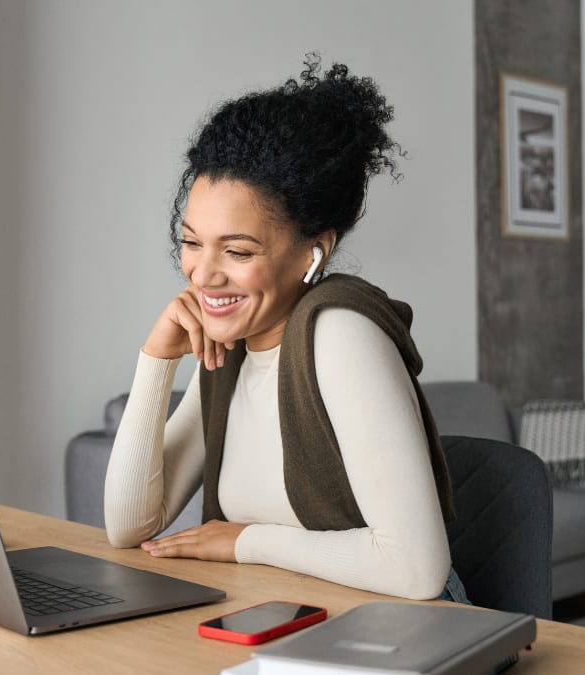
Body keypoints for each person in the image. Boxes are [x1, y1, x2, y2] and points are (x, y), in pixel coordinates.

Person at [103, 55, 468, 603]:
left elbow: (415, 570)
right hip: (281, 620)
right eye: (192, 241)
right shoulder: (229, 348)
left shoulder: (341, 333)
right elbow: (129, 526)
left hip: (398, 634)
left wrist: (248, 542)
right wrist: (156, 359)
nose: (203, 273)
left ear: (313, 253)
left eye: (239, 250)